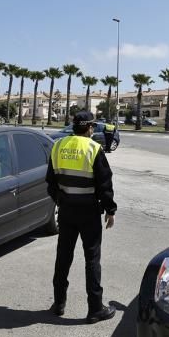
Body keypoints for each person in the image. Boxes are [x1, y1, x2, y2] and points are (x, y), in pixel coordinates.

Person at [47, 111, 118, 323]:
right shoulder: (94, 149)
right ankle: (95, 308)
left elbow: (50, 182)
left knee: (63, 257)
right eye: (93, 127)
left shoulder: (58, 146)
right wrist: (110, 210)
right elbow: (105, 184)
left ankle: (59, 303)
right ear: (89, 128)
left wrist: (62, 200)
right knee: (92, 259)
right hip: (89, 212)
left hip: (67, 210)